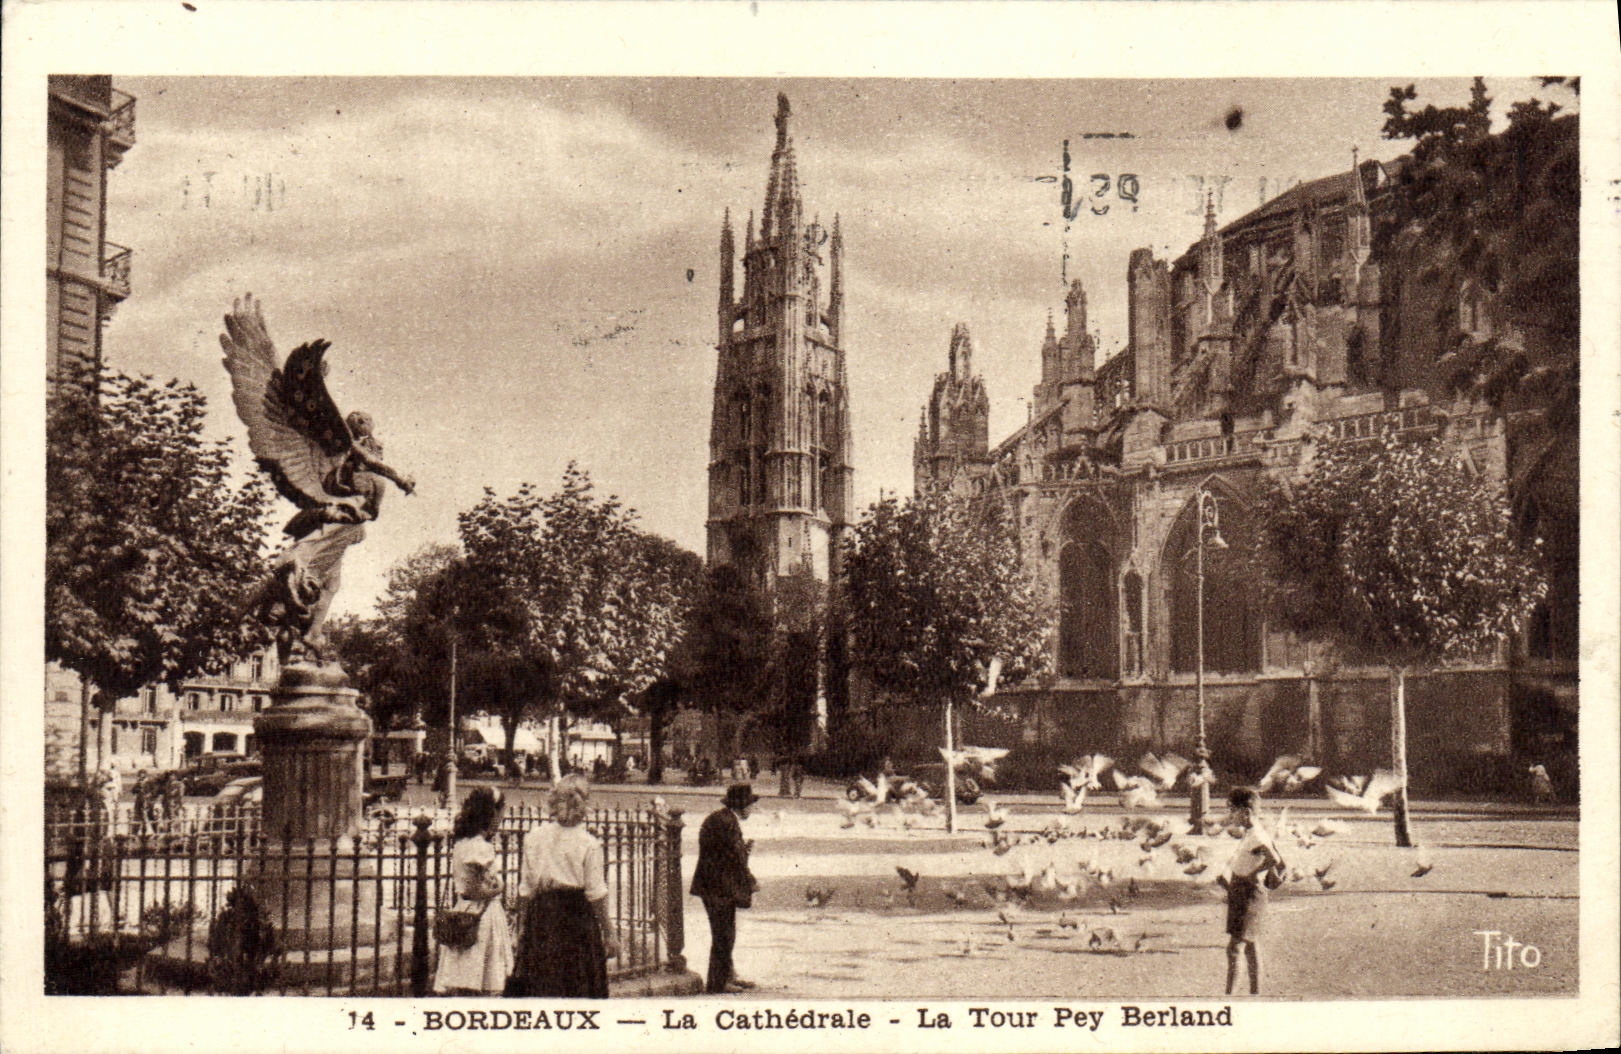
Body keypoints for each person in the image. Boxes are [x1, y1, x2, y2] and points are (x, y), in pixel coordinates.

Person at [508, 775, 619, 998]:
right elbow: (596, 893)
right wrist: (610, 933)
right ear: (584, 805)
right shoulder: (588, 843)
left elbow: (526, 889)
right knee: (576, 983)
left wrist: (520, 926)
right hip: (576, 917)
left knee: (542, 980)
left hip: (542, 915)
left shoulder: (534, 837)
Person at [433, 787, 513, 996]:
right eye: (500, 813)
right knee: (487, 977)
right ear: (491, 814)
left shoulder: (461, 843)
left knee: (462, 977)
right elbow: (484, 887)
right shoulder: (481, 847)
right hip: (482, 916)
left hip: (462, 909)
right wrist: (500, 887)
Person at [691, 784, 760, 994]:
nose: (752, 809)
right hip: (717, 887)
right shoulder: (726, 823)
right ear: (742, 805)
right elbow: (735, 858)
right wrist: (751, 881)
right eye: (751, 805)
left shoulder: (723, 818)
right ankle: (718, 983)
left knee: (725, 931)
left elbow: (730, 853)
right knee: (723, 934)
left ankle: (728, 975)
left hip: (714, 884)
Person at [1217, 786, 1284, 996]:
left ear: (1246, 812)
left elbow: (1274, 858)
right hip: (1241, 891)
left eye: (1232, 810)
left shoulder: (1256, 835)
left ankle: (1229, 998)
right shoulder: (1250, 833)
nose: (1230, 815)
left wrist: (1252, 874)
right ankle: (1256, 994)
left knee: (1234, 948)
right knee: (1251, 945)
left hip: (1249, 894)